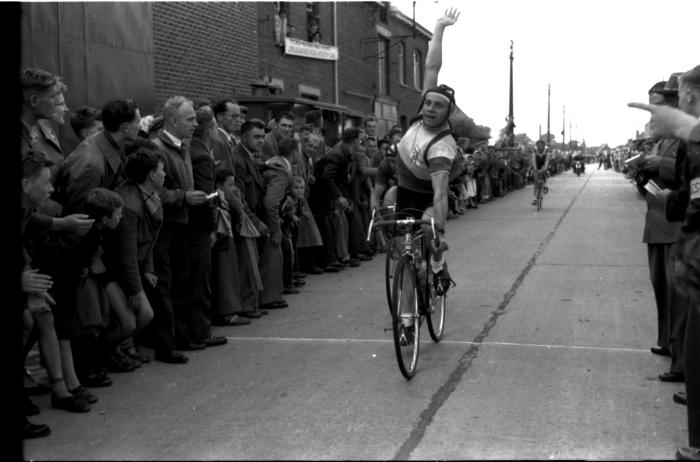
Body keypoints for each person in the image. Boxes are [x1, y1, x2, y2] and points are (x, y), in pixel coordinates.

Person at [393, 8, 460, 343]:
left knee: (425, 227)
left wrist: (439, 227)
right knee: (401, 253)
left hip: (431, 194)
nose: (431, 108)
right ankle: (406, 318)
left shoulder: (442, 146)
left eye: (438, 106)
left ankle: (436, 266)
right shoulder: (421, 113)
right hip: (405, 189)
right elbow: (432, 66)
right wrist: (439, 28)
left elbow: (439, 191)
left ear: (447, 113)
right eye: (428, 103)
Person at [148, 96, 207, 363]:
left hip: (180, 224)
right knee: (165, 285)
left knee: (182, 281)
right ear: (173, 121)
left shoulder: (182, 146)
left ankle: (182, 336)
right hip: (164, 227)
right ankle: (166, 344)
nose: (196, 123)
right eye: (190, 119)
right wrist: (184, 197)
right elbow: (153, 192)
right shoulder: (157, 149)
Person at [531, 140, 550, 205]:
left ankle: (544, 184)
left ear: (544, 146)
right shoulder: (534, 150)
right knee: (536, 181)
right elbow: (533, 160)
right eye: (538, 145)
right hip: (537, 163)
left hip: (544, 163)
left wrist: (545, 169)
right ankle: (534, 197)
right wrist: (535, 169)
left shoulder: (547, 150)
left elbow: (547, 161)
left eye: (541, 145)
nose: (540, 147)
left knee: (545, 173)